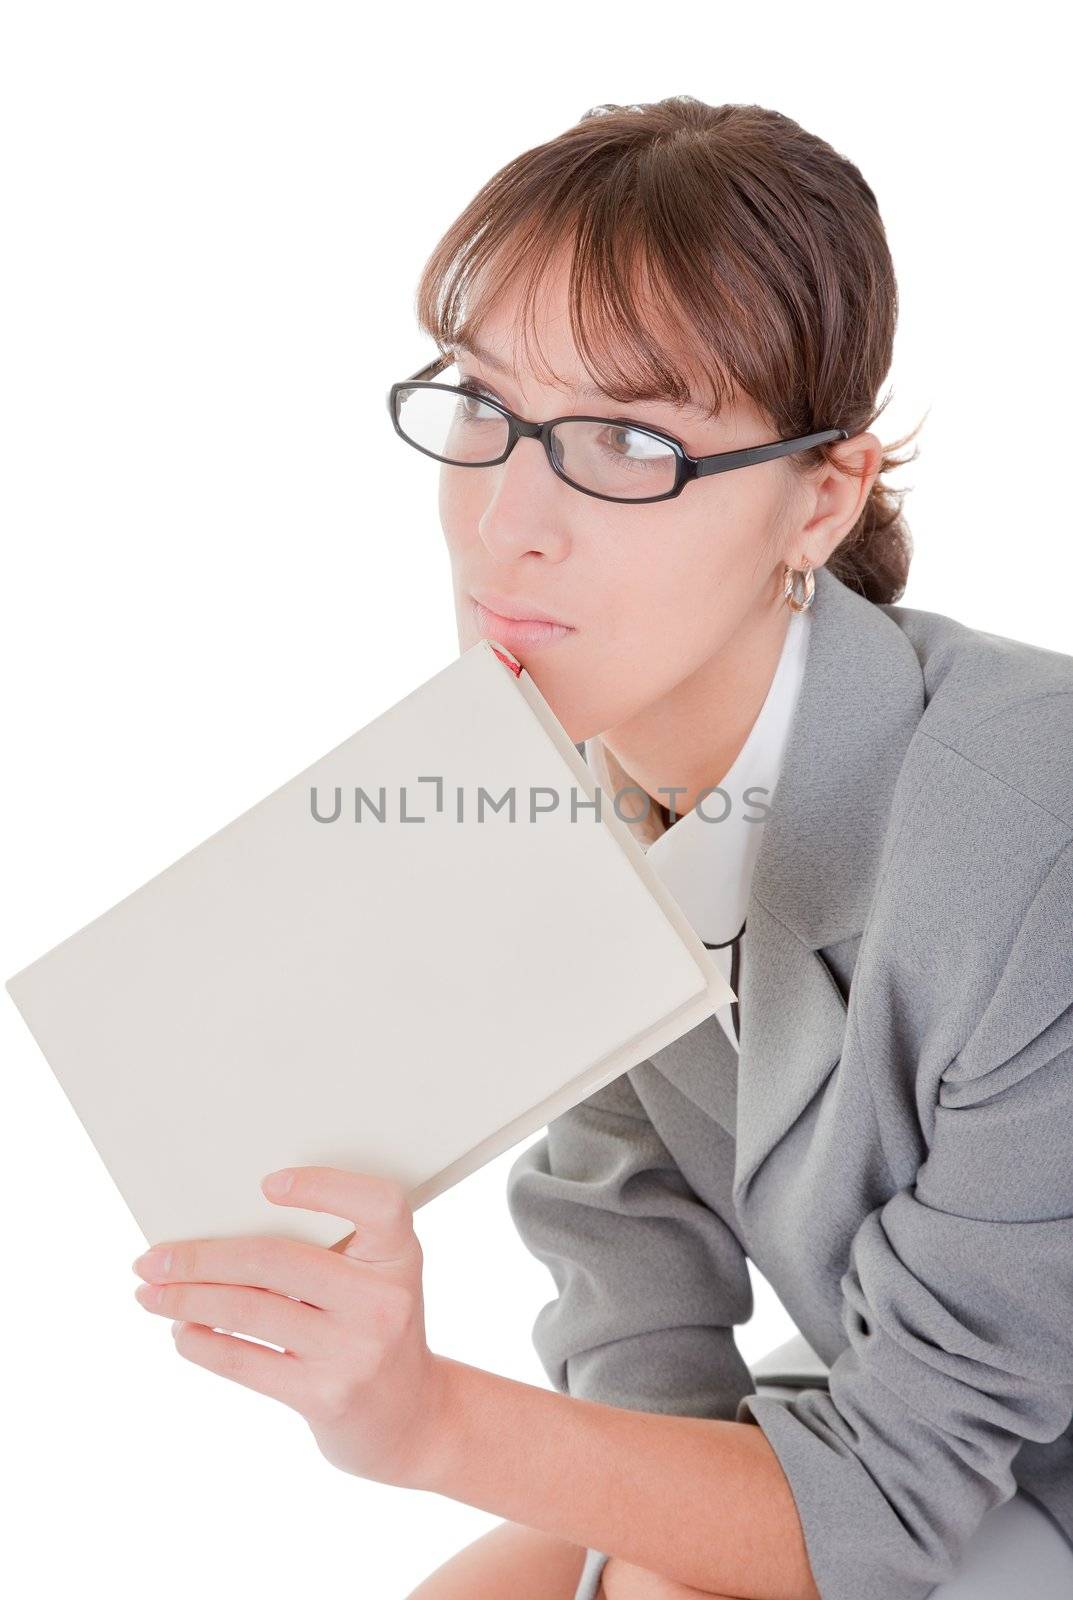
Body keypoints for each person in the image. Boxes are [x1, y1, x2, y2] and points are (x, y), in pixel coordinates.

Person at [394, 98, 1073, 1599]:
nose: (505, 520)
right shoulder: (567, 781)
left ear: (817, 501)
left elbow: (896, 1500)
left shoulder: (1032, 841)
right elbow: (633, 1300)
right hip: (948, 1428)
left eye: (624, 441)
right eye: (484, 409)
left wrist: (419, 1417)